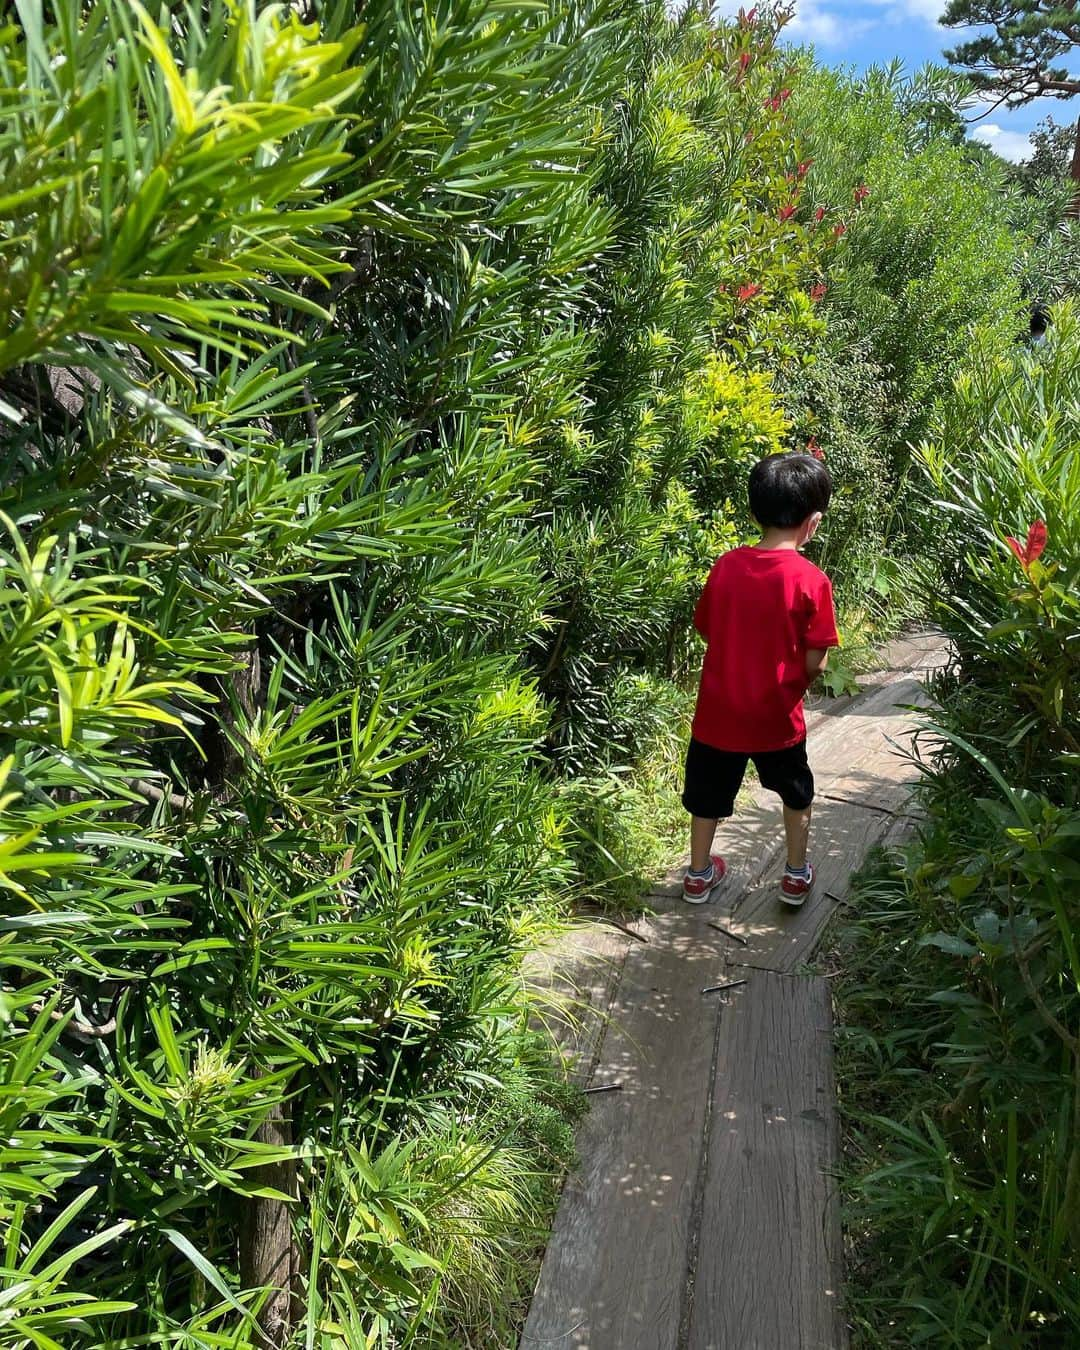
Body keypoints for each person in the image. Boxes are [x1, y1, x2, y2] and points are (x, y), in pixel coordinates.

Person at [681, 451, 839, 908]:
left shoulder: (727, 566)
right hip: (776, 717)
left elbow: (708, 627)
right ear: (813, 523)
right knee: (796, 792)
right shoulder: (812, 581)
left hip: (718, 714)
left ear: (753, 513)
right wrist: (800, 682)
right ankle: (794, 874)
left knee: (706, 796)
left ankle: (697, 874)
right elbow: (817, 660)